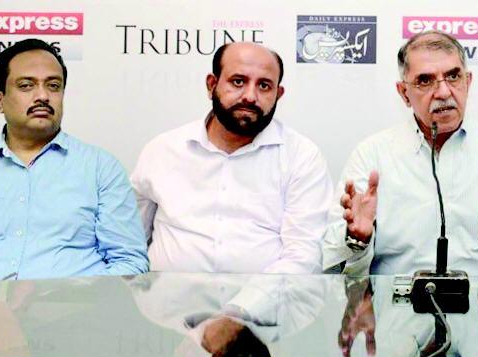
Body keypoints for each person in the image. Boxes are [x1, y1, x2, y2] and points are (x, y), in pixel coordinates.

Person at [0, 39, 148, 286]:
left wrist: (72, 300)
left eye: (53, 86)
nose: (43, 96)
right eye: (26, 85)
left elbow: (129, 263)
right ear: (0, 100)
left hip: (72, 308)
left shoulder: (101, 168)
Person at [322, 31, 478, 276]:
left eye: (453, 76)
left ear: (468, 82)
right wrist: (357, 240)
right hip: (396, 299)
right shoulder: (372, 154)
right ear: (404, 93)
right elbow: (332, 260)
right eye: (425, 81)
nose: (444, 92)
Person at [131, 42, 332, 274]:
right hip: (169, 296)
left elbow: (304, 255)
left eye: (264, 86)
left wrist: (247, 300)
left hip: (268, 298)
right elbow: (128, 241)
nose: (250, 96)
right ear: (212, 85)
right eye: (238, 82)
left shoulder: (301, 156)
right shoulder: (163, 150)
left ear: (278, 94)